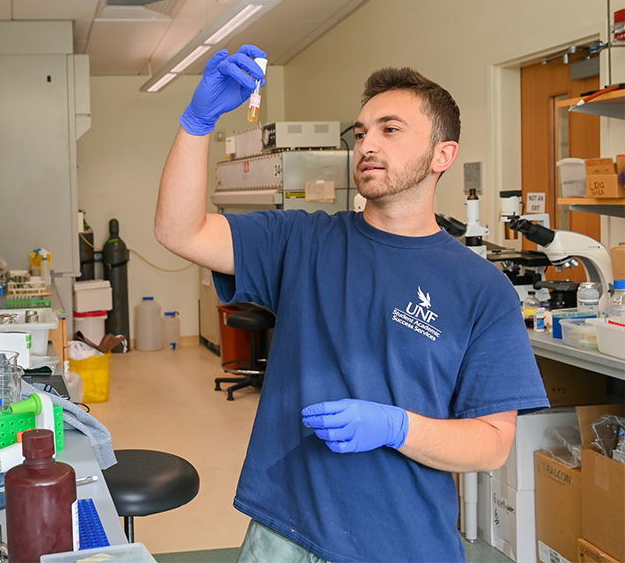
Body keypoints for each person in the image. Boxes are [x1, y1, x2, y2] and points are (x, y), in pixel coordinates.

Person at [154, 45, 550, 562]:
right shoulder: (303, 241)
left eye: (391, 129)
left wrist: (397, 426)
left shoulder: (481, 288)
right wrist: (197, 122)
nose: (367, 144)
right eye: (361, 132)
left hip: (403, 543)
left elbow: (493, 442)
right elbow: (178, 230)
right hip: (286, 532)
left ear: (442, 155)